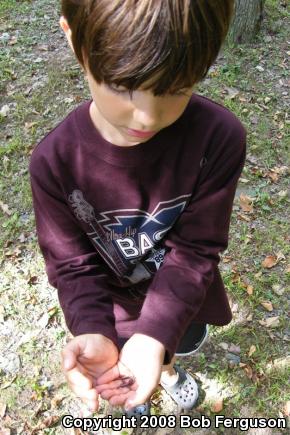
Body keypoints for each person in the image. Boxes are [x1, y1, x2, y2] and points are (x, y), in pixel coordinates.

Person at [29, 0, 246, 416]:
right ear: (75, 40)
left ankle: (165, 372)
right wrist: (92, 328)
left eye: (175, 89)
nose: (147, 116)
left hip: (181, 299)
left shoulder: (218, 139)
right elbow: (72, 266)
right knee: (128, 353)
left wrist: (154, 337)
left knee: (165, 346)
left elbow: (197, 248)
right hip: (111, 308)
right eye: (122, 85)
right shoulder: (54, 163)